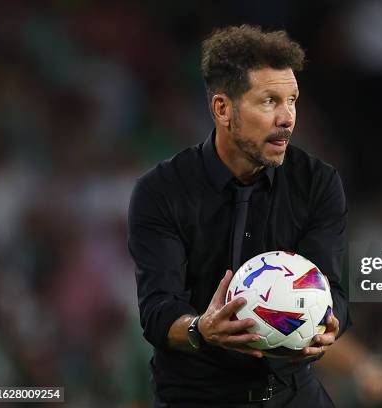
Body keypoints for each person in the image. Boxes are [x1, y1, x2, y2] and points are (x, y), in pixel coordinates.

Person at [128, 25, 351, 407]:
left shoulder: (318, 183)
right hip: (196, 397)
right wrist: (202, 329)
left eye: (292, 100)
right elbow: (158, 310)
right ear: (222, 109)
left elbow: (333, 290)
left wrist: (330, 325)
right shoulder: (160, 191)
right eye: (269, 102)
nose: (287, 118)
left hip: (291, 393)